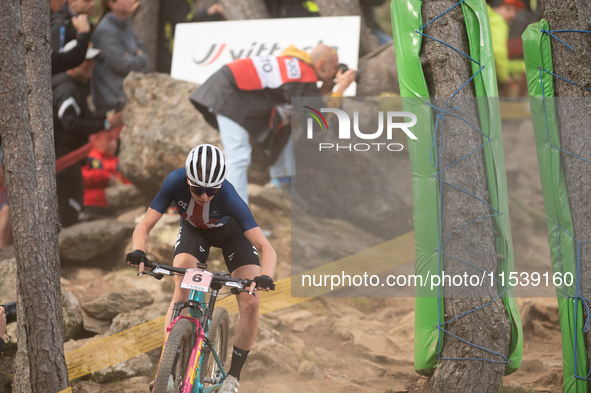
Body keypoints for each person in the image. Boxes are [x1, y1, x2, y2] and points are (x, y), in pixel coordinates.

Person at [127, 144, 276, 393]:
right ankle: (168, 371)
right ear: (187, 179)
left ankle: (233, 378)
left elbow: (267, 248)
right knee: (182, 288)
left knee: (251, 303)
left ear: (220, 185)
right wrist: (138, 250)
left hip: (232, 236)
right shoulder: (174, 181)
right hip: (195, 233)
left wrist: (265, 276)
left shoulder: (228, 197)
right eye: (197, 189)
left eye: (211, 190)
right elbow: (145, 225)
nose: (204, 195)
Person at [190, 43, 356, 205]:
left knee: (285, 118)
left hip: (234, 89)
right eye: (336, 68)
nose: (337, 73)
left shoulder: (296, 65)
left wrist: (326, 88)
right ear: (321, 65)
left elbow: (304, 107)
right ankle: (234, 219)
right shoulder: (303, 73)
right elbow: (316, 121)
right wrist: (340, 89)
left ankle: (282, 181)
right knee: (238, 156)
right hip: (229, 93)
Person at [53, 42, 123, 227]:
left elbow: (82, 117)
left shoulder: (75, 86)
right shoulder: (66, 89)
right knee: (68, 218)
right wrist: (105, 124)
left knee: (72, 214)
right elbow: (71, 124)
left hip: (69, 162)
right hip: (64, 164)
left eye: (92, 59)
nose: (92, 63)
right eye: (86, 59)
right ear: (72, 61)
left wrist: (106, 117)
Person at [91, 0, 149, 116]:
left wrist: (137, 58)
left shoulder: (125, 24)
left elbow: (144, 55)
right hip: (112, 104)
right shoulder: (106, 31)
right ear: (112, 4)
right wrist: (139, 57)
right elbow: (122, 64)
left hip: (127, 99)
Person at [157, 1, 224, 74]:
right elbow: (187, 21)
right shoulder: (179, 3)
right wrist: (210, 13)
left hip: (171, 44)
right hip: (171, 45)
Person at [81, 131, 130, 218]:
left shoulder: (117, 161)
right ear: (95, 139)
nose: (113, 144)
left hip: (115, 208)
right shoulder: (88, 157)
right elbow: (82, 176)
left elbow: (127, 181)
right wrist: (106, 176)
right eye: (109, 139)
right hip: (91, 205)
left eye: (115, 140)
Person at [487, 0, 527, 96]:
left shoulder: (490, 20)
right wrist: (504, 78)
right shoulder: (498, 21)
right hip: (491, 75)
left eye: (514, 11)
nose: (513, 15)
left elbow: (500, 60)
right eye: (508, 9)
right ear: (494, 8)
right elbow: (498, 52)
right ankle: (516, 106)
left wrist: (523, 67)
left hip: (487, 68)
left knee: (525, 69)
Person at [50, 0, 95, 74]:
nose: (92, 4)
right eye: (86, 1)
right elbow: (58, 62)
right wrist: (84, 33)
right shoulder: (60, 24)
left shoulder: (87, 22)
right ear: (72, 1)